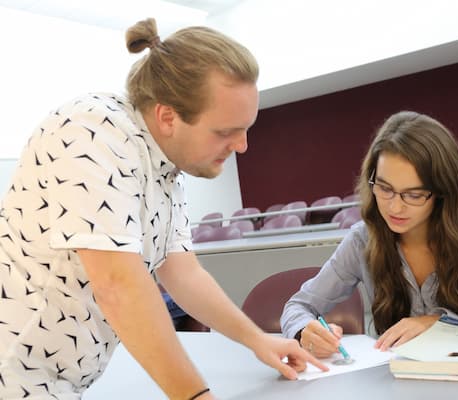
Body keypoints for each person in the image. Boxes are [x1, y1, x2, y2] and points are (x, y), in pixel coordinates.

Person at [0, 18, 325, 400]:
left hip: (56, 379)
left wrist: (257, 340)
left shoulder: (166, 169)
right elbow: (118, 286)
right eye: (225, 132)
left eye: (246, 129)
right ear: (167, 116)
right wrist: (194, 395)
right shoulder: (92, 131)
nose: (242, 146)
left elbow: (182, 272)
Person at [281, 111, 458, 358]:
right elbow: (298, 306)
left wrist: (439, 324)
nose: (394, 207)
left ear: (443, 192)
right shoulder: (362, 241)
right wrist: (303, 332)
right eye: (384, 188)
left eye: (413, 195)